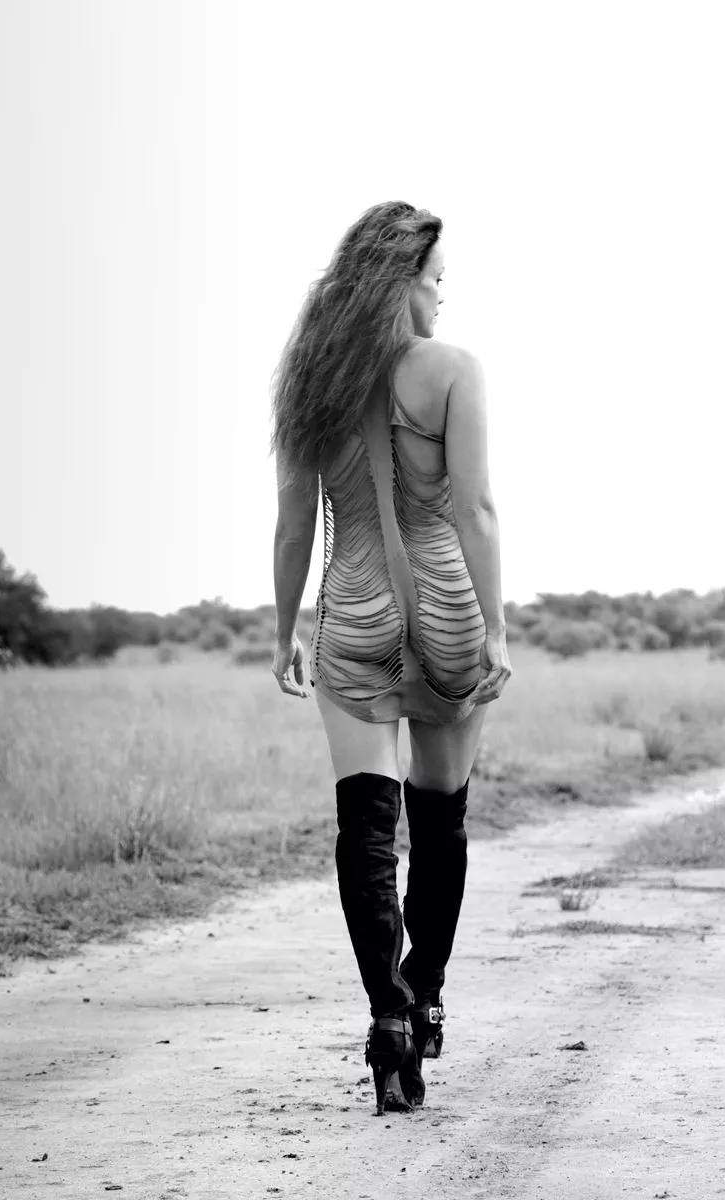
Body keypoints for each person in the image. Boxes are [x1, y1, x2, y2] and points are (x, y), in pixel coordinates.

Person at [268, 201, 512, 1115]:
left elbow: (295, 524)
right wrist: (496, 629)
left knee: (367, 831)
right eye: (437, 280)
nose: (443, 297)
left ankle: (387, 1019)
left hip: (356, 616)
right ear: (401, 280)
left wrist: (285, 632)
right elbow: (474, 510)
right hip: (448, 612)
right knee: (440, 822)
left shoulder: (310, 379)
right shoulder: (452, 372)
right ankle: (428, 993)